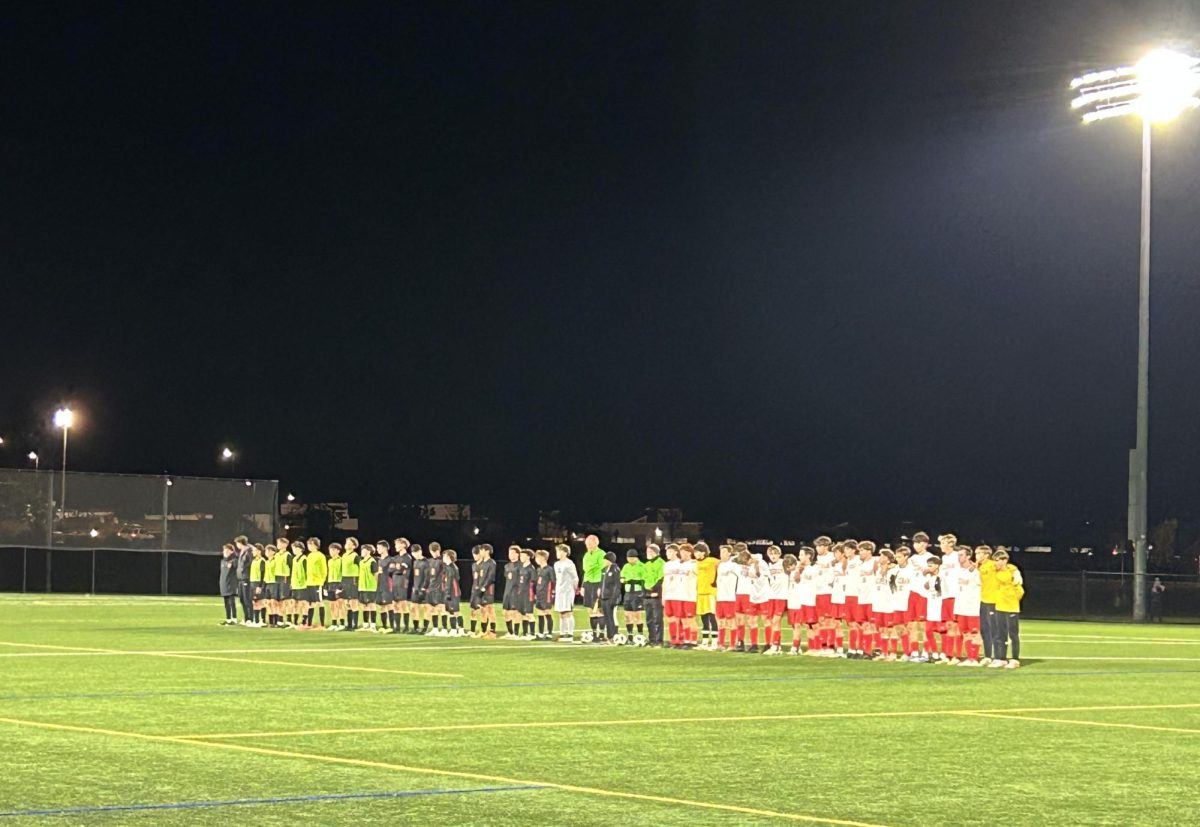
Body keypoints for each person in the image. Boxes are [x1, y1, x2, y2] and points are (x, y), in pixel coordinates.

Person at [991, 548, 1024, 669]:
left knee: (1013, 634)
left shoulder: (1012, 570)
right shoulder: (995, 571)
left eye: (999, 560)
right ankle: (1002, 658)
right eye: (995, 560)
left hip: (1012, 607)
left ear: (1005, 560)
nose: (997, 563)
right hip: (1000, 606)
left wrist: (1014, 599)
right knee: (1001, 634)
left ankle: (1015, 659)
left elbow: (1019, 588)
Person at [976, 546, 998, 664]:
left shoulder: (992, 565)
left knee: (994, 629)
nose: (977, 555)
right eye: (976, 553)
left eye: (979, 553)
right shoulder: (979, 566)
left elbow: (1008, 567)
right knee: (984, 630)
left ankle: (998, 656)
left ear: (986, 555)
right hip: (982, 601)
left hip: (993, 601)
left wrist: (1016, 573)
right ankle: (988, 655)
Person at [715, 545, 739, 651]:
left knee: (731, 621)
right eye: (721, 552)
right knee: (720, 622)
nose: (721, 554)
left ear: (730, 553)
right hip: (720, 597)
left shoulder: (734, 565)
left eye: (724, 552)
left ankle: (733, 644)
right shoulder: (720, 565)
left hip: (730, 598)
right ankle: (721, 644)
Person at [694, 542, 718, 649]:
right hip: (699, 593)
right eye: (695, 552)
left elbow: (723, 564)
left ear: (704, 552)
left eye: (698, 551)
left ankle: (714, 641)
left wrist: (715, 581)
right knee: (703, 618)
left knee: (712, 617)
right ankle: (704, 641)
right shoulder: (694, 563)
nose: (696, 554)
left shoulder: (712, 561)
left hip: (710, 593)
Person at [581, 535, 605, 635]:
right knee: (590, 609)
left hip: (597, 583)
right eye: (587, 544)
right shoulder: (586, 555)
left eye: (590, 544)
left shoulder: (601, 554)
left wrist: (601, 586)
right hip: (588, 583)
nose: (588, 546)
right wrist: (583, 585)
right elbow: (585, 571)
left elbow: (603, 570)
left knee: (599, 609)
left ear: (596, 543)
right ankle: (594, 633)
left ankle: (602, 633)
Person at [642, 544, 664, 647]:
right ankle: (652, 639)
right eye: (647, 552)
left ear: (656, 552)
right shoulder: (646, 565)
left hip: (656, 594)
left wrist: (655, 589)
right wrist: (645, 591)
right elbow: (644, 579)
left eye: (650, 552)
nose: (648, 554)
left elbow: (661, 578)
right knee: (649, 618)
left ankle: (659, 640)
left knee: (657, 618)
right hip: (647, 595)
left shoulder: (661, 563)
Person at [620, 550, 645, 640]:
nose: (629, 560)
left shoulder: (642, 566)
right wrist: (625, 580)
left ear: (636, 558)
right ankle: (630, 636)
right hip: (628, 593)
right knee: (627, 615)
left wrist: (635, 581)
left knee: (637, 615)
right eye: (628, 558)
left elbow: (644, 579)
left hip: (637, 593)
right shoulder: (626, 566)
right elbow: (622, 578)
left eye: (631, 558)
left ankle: (640, 635)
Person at [598, 551, 622, 642]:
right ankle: (609, 636)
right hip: (604, 597)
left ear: (609, 560)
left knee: (612, 617)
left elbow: (617, 586)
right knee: (607, 618)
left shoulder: (615, 570)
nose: (604, 561)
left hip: (611, 598)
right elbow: (601, 584)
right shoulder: (603, 570)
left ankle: (614, 636)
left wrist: (614, 598)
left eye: (605, 559)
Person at [513, 548, 536, 640]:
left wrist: (533, 594)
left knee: (529, 614)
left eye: (522, 556)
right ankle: (524, 633)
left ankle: (532, 633)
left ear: (528, 557)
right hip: (521, 594)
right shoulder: (521, 568)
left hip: (528, 594)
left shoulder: (531, 569)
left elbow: (533, 582)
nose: (521, 557)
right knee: (521, 613)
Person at [305, 537, 328, 629]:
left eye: (310, 544)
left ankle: (322, 625)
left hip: (317, 582)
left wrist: (322, 581)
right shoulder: (309, 555)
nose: (309, 546)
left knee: (320, 602)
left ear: (315, 545)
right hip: (309, 582)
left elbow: (324, 570)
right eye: (308, 544)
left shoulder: (320, 556)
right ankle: (309, 624)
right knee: (311, 603)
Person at [533, 549, 556, 640]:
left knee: (547, 613)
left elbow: (553, 581)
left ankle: (550, 633)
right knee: (540, 614)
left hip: (546, 594)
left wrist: (552, 593)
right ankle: (540, 633)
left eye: (537, 557)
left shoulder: (549, 569)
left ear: (543, 558)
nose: (536, 559)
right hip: (539, 594)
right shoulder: (538, 569)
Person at [391, 538, 412, 633]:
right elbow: (390, 569)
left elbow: (401, 569)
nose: (395, 546)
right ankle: (397, 628)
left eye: (397, 544)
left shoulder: (407, 557)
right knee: (395, 604)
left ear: (403, 545)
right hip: (395, 582)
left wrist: (396, 568)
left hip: (403, 582)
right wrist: (396, 568)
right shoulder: (395, 557)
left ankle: (406, 627)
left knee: (403, 604)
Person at [476, 544, 497, 638]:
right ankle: (484, 631)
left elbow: (491, 577)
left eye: (482, 550)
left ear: (487, 551)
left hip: (488, 589)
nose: (480, 552)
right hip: (481, 589)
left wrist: (484, 587)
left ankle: (493, 633)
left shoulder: (491, 563)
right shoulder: (482, 563)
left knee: (490, 610)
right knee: (483, 610)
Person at [441, 549, 463, 636]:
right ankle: (460, 629)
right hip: (450, 592)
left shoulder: (451, 567)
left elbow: (450, 582)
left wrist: (448, 594)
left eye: (445, 556)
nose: (443, 557)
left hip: (453, 592)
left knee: (453, 611)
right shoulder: (447, 567)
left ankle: (455, 630)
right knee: (452, 611)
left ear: (449, 557)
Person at [501, 545, 521, 638]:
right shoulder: (507, 566)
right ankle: (510, 632)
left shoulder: (520, 565)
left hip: (516, 591)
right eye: (509, 553)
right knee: (505, 612)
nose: (510, 555)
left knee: (515, 612)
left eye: (512, 553)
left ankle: (516, 633)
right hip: (507, 592)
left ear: (517, 554)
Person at [341, 538, 360, 631]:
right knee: (347, 602)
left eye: (349, 543)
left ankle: (355, 624)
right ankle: (348, 625)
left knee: (353, 602)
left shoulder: (355, 556)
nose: (347, 544)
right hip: (345, 579)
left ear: (354, 546)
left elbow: (362, 567)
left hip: (353, 579)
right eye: (346, 543)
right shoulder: (344, 555)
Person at [234, 535, 254, 624]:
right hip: (241, 578)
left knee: (247, 599)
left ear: (240, 543)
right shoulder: (242, 551)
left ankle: (250, 618)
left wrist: (245, 572)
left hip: (246, 578)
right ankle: (246, 618)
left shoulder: (248, 550)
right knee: (242, 598)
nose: (236, 545)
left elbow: (250, 563)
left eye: (237, 543)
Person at [219, 544, 239, 625]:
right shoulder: (223, 561)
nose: (225, 552)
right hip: (224, 583)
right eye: (224, 551)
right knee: (226, 602)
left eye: (227, 551)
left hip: (231, 584)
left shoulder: (235, 560)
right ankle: (228, 619)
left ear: (231, 551)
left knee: (232, 602)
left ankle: (234, 619)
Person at [248, 544, 266, 627]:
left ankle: (261, 620)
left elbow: (263, 574)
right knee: (254, 602)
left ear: (259, 551)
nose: (253, 552)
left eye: (254, 550)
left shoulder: (262, 561)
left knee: (259, 602)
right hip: (252, 582)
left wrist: (260, 586)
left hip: (258, 583)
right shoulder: (254, 560)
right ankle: (256, 620)